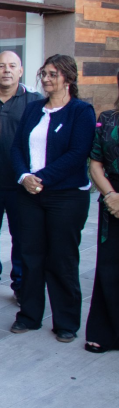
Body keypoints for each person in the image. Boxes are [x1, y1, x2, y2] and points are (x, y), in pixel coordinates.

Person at [10, 55, 96, 342]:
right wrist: (24, 176)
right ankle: (29, 316)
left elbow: (77, 154)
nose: (46, 79)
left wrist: (41, 178)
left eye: (53, 74)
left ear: (68, 78)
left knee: (62, 259)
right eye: (43, 74)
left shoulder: (81, 111)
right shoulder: (34, 109)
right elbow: (16, 148)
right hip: (29, 194)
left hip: (66, 197)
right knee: (30, 256)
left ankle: (66, 323)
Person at [0, 51, 42, 303]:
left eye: (12, 66)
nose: (6, 70)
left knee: (23, 237)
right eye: (1, 66)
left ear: (20, 71)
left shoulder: (35, 101)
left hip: (22, 184)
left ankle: (20, 284)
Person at [85, 71, 119, 353]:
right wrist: (110, 195)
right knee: (109, 267)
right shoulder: (107, 119)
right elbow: (95, 163)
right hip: (113, 199)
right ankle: (105, 332)